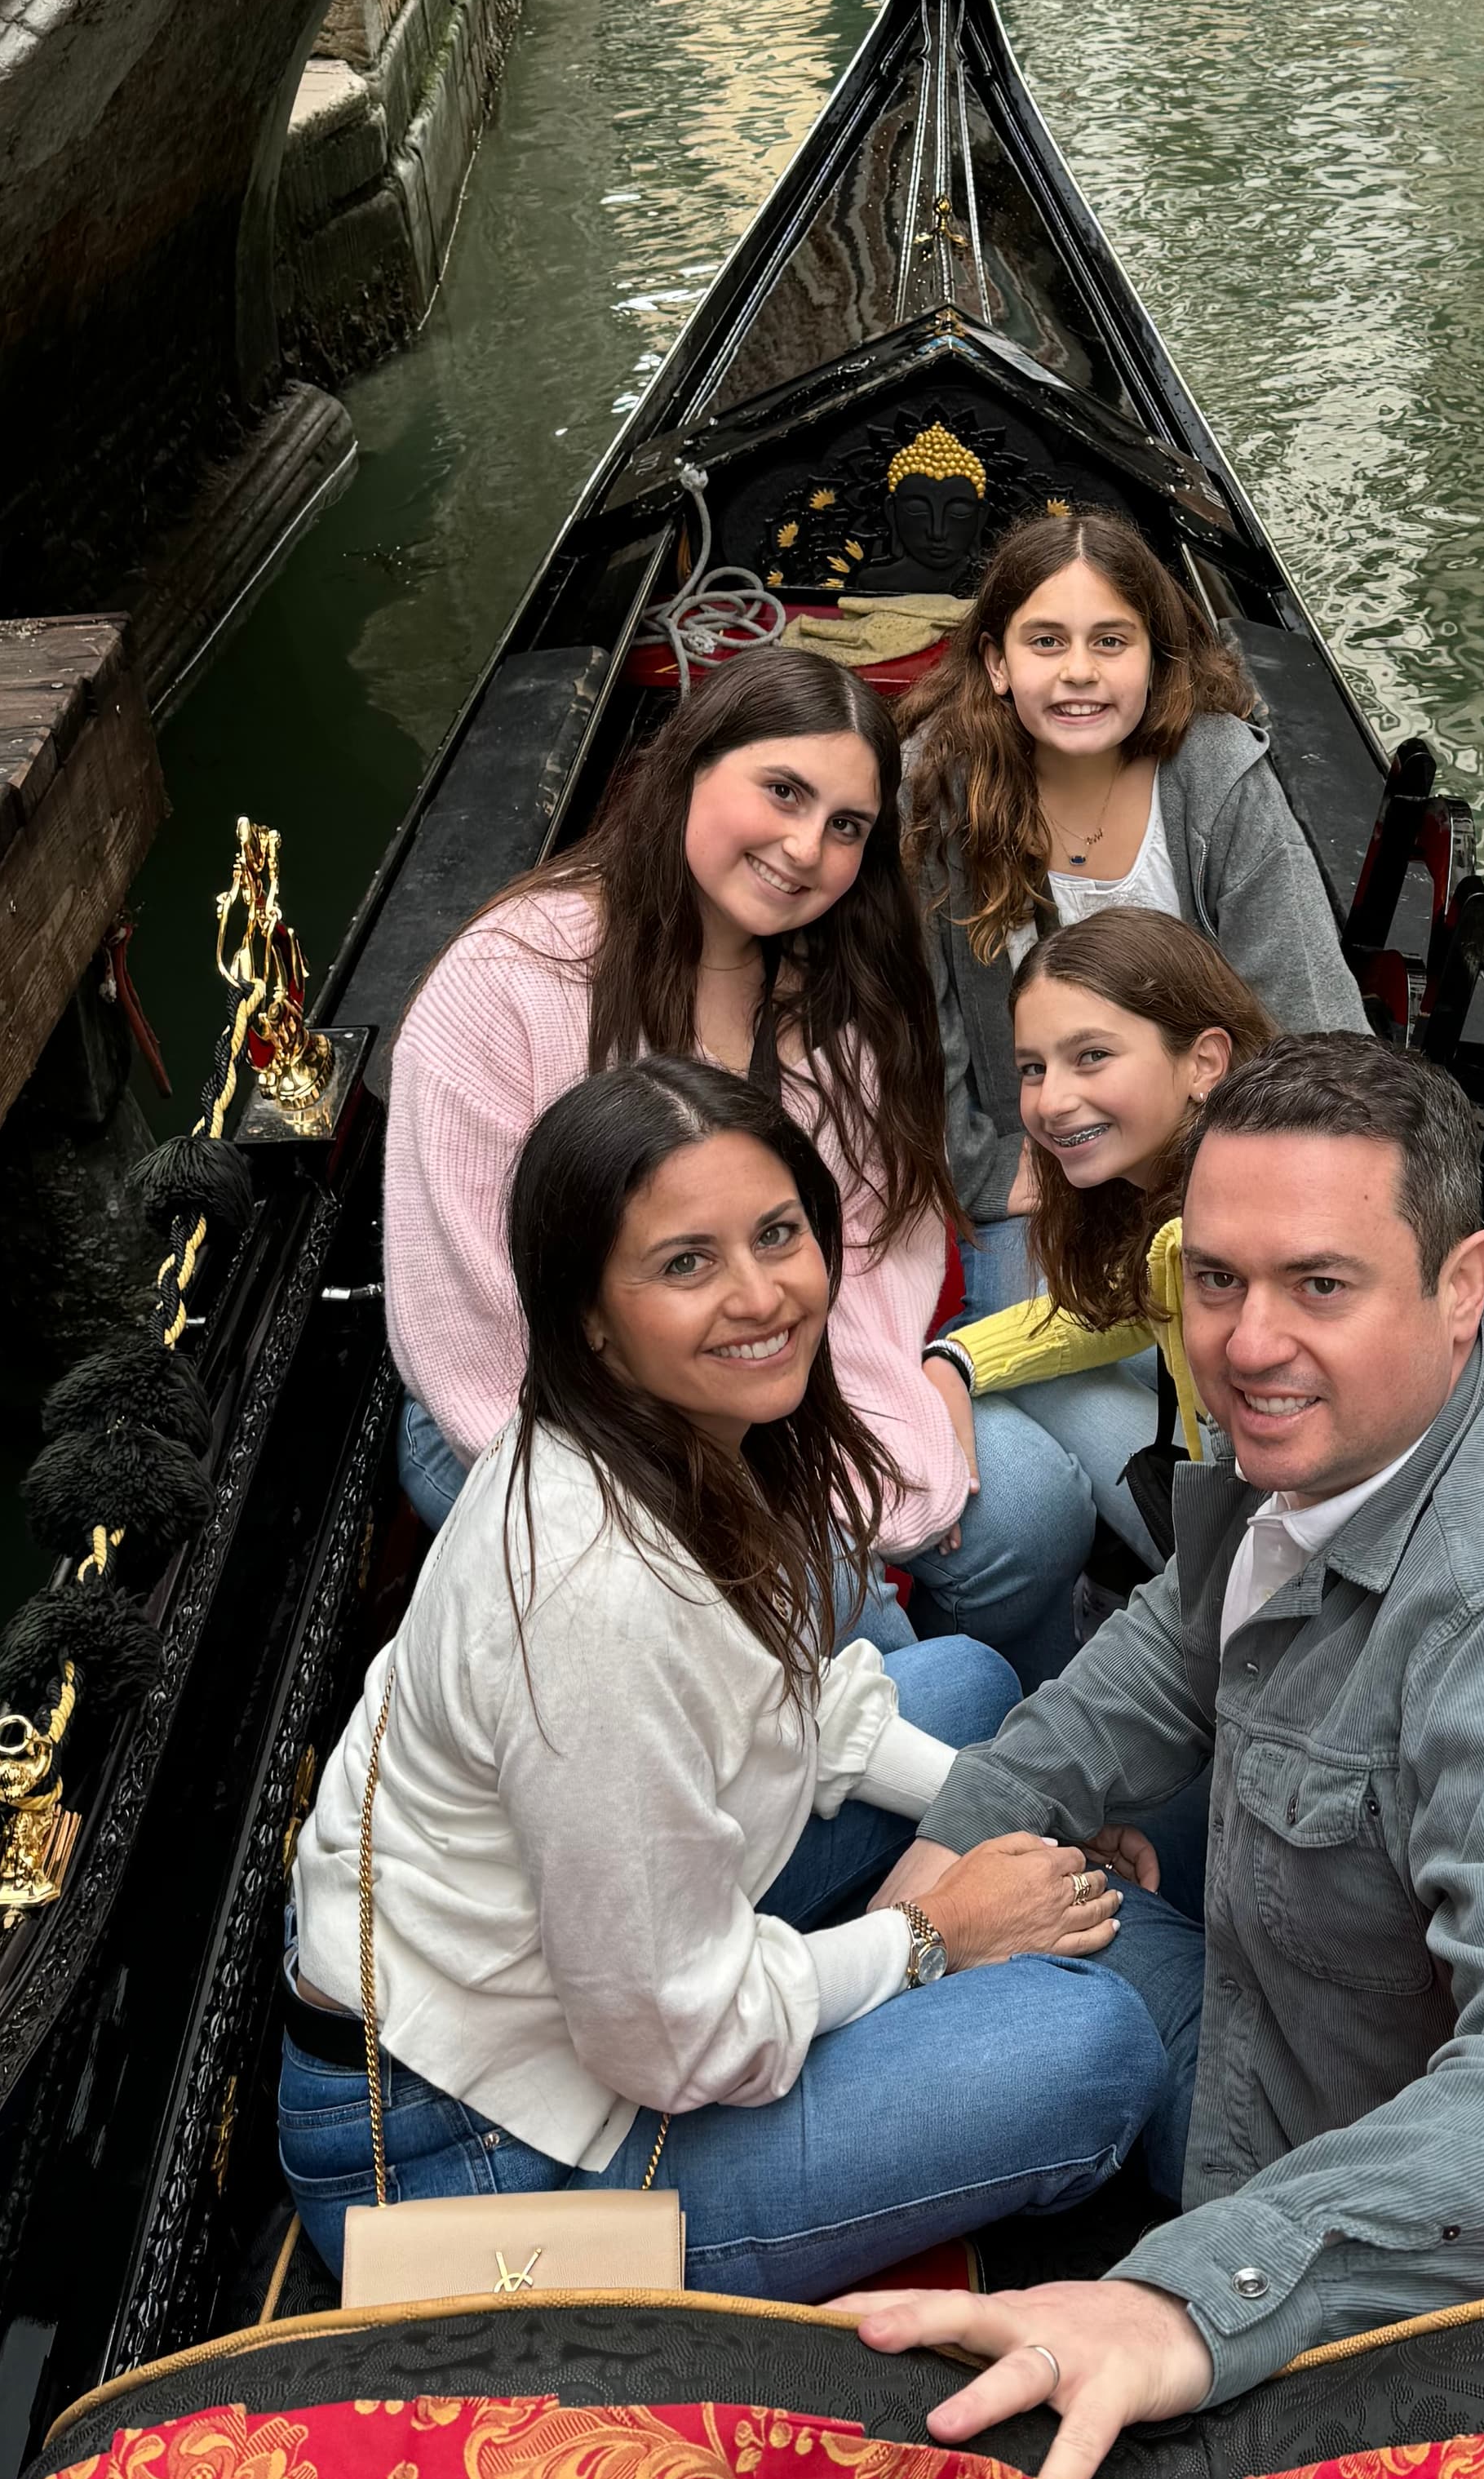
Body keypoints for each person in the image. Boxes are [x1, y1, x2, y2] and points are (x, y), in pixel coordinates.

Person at [835, 1034, 1484, 2479]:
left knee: (1034, 2031)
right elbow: (1180, 1642)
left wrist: (1180, 2301)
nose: (1243, 1342)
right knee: (967, 1834)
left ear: (1463, 1284)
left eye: (1318, 1284)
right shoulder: (1343, 1416)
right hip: (1335, 2008)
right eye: (1220, 1278)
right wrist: (947, 1870)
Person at [281, 1058, 1165, 2292]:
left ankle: (835, 1975)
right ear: (590, 1309)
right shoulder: (593, 1607)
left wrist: (1021, 1805)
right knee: (1091, 2051)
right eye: (687, 1264)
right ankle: (860, 1983)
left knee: (960, 1685)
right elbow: (668, 2038)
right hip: (473, 2150)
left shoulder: (675, 1436)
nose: (761, 1297)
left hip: (538, 1990)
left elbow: (802, 1703)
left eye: (777, 1236)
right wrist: (930, 1939)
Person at [383, 639, 1097, 1676]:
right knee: (826, 1592)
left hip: (768, 1367)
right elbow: (477, 1323)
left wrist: (884, 1423)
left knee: (1030, 1514)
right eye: (782, 791)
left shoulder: (831, 995)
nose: (808, 848)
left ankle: (1027, 1746)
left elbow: (855, 1241)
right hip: (536, 1415)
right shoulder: (506, 984)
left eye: (846, 825)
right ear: (691, 763)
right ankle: (920, 1769)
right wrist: (747, 1487)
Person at [900, 508, 1363, 1310]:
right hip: (1044, 1155)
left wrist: (1244, 1173)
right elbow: (910, 1016)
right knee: (1041, 1383)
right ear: (997, 662)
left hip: (1215, 1143)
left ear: (1155, 658)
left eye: (1110, 641)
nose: (1079, 670)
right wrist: (974, 1162)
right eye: (1046, 641)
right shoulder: (939, 790)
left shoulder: (1218, 778)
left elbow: (1311, 1012)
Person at [953, 907, 1273, 1559]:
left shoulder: (1221, 1236)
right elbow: (1118, 1304)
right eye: (1033, 1068)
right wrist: (956, 1360)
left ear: (1204, 1063)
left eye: (1091, 1056)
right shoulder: (1186, 1202)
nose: (1050, 1102)